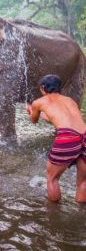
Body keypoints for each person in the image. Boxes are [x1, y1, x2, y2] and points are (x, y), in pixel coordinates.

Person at [26, 74, 86, 203]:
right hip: (84, 135)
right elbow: (61, 119)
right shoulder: (70, 100)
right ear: (60, 87)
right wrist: (43, 114)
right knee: (83, 181)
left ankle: (53, 213)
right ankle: (80, 213)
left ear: (43, 88)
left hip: (68, 137)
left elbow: (34, 120)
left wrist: (31, 110)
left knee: (52, 178)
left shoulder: (39, 102)